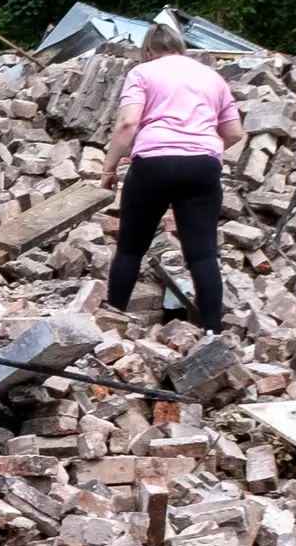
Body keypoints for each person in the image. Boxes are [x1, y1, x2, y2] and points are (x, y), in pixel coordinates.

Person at [96, 19, 245, 331]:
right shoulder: (212, 78)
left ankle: (113, 321)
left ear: (148, 50)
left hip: (153, 165)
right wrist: (203, 147)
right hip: (202, 167)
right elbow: (234, 132)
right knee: (202, 254)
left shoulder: (142, 73)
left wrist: (109, 168)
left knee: (130, 248)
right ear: (180, 47)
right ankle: (212, 332)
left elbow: (127, 124)